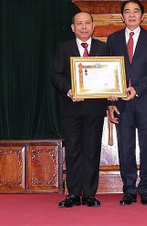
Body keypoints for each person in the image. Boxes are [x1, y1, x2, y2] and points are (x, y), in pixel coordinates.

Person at [50, 11, 110, 208]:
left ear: (93, 26)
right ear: (73, 27)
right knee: (74, 152)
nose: (84, 27)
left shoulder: (104, 48)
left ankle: (90, 194)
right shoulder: (63, 48)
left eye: (87, 23)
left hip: (95, 109)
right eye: (79, 23)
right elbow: (56, 75)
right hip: (71, 109)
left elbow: (111, 75)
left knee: (92, 152)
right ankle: (73, 194)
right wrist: (69, 90)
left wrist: (111, 91)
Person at [107, 0, 147, 205]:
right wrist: (109, 102)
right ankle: (129, 189)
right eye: (127, 12)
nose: (131, 15)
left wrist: (137, 89)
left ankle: (146, 188)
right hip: (121, 103)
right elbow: (107, 71)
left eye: (136, 11)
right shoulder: (113, 39)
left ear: (142, 16)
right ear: (122, 16)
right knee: (126, 147)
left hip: (146, 100)